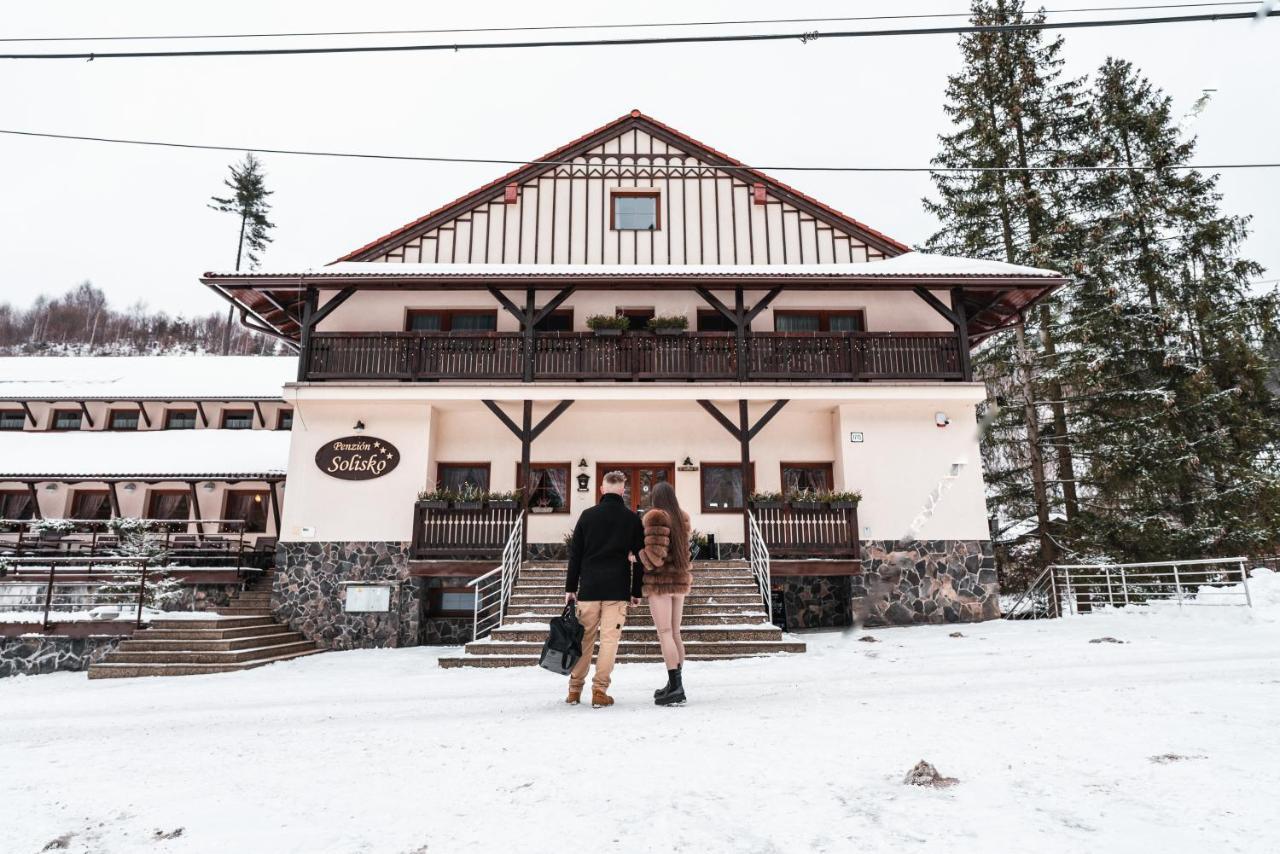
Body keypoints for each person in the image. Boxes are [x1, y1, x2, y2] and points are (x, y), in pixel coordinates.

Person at [564, 470, 645, 709]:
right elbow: (640, 558)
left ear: (601, 489)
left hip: (588, 587)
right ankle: (600, 691)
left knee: (583, 640)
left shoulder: (587, 516)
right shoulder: (631, 519)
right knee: (609, 641)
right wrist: (636, 590)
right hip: (617, 589)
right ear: (623, 490)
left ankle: (574, 690)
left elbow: (575, 555)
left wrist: (571, 587)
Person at [638, 481, 693, 706]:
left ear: (655, 498)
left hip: (661, 582)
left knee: (665, 632)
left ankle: (676, 686)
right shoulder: (682, 518)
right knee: (675, 633)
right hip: (679, 580)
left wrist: (637, 555)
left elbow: (655, 556)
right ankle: (674, 684)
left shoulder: (656, 516)